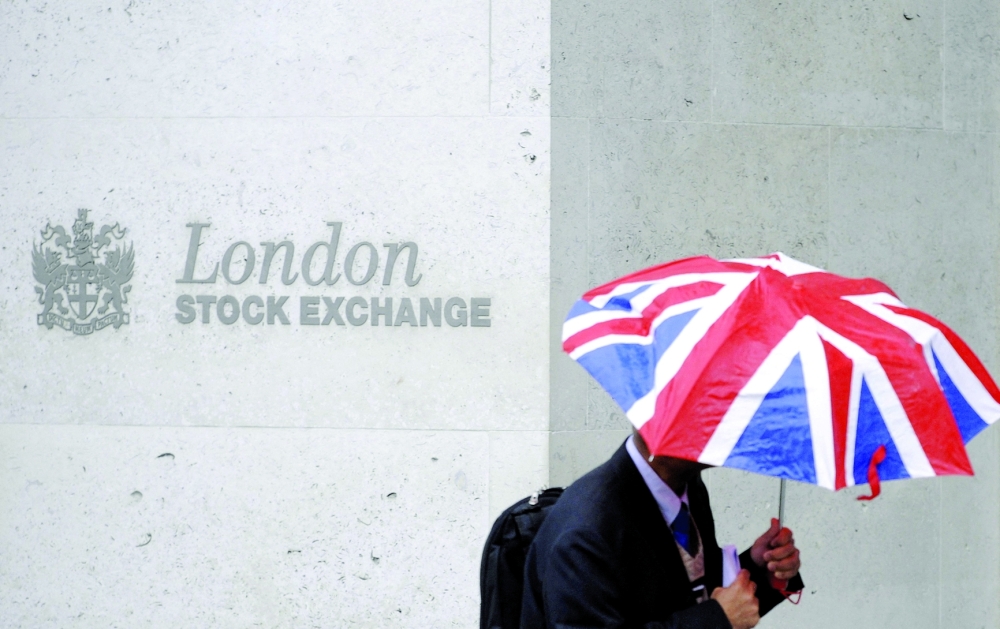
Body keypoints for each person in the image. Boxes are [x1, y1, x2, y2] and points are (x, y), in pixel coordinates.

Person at [521, 432, 803, 629]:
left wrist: (757, 570)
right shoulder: (585, 534)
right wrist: (716, 620)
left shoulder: (686, 486)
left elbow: (690, 589)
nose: (726, 426)